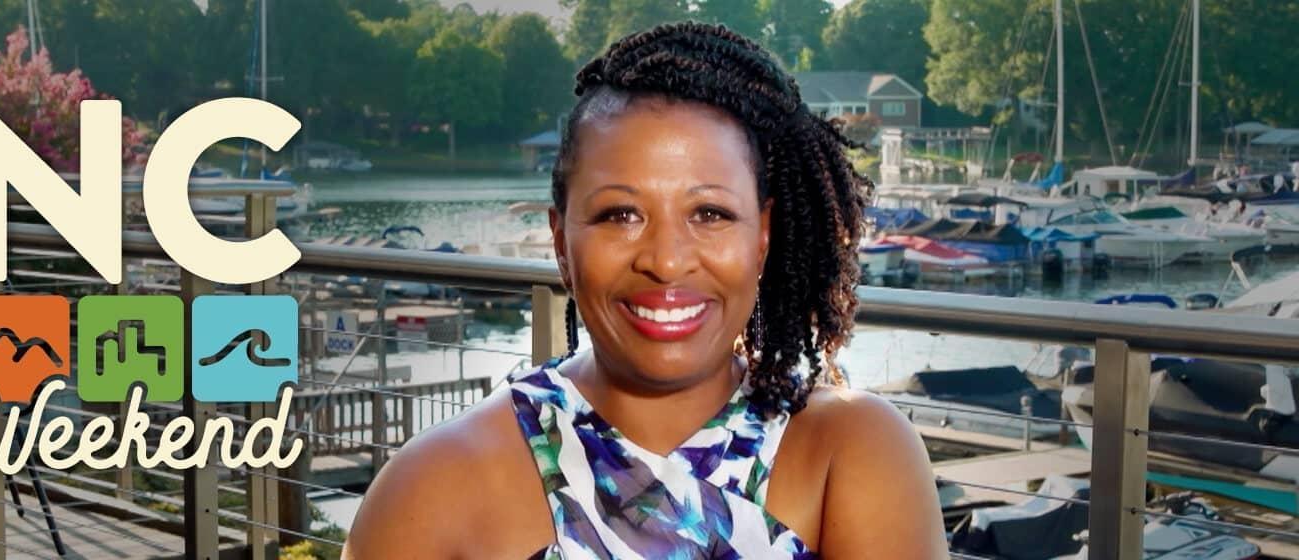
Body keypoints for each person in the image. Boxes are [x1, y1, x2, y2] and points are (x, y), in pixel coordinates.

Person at [344, 22, 946, 559]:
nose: (666, 260)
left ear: (762, 237)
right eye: (619, 215)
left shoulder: (855, 453)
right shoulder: (430, 488)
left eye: (709, 213)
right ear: (561, 241)